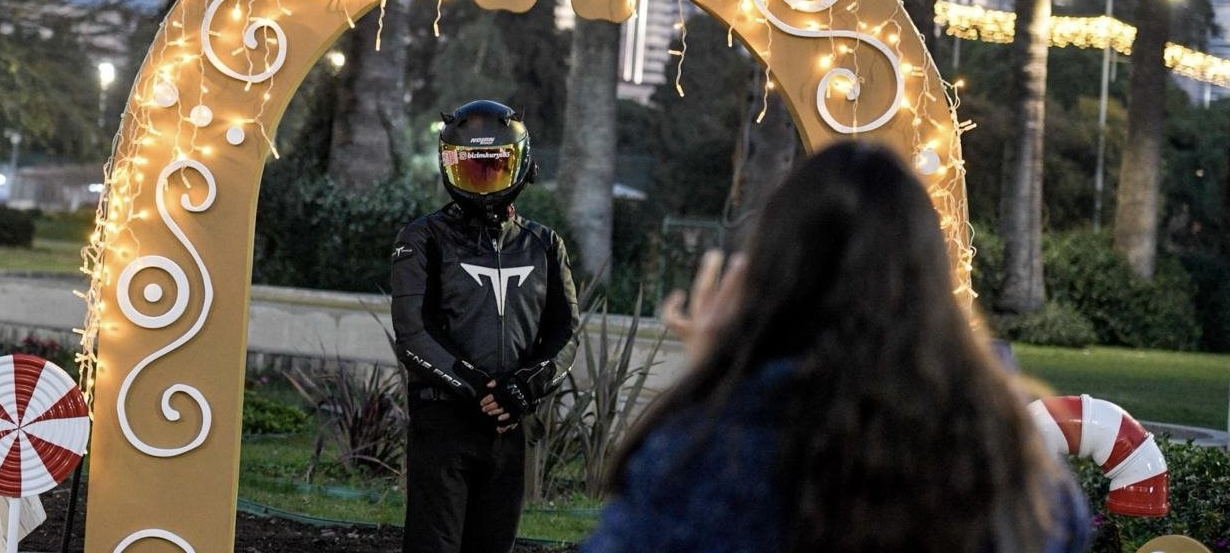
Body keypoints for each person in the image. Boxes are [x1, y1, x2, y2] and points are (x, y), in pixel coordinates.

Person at [582, 141, 1091, 553]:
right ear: (931, 281)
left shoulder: (709, 458)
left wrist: (716, 371)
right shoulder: (1011, 463)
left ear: (770, 273)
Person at [390, 98, 581, 553]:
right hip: (442, 423)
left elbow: (566, 331)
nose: (482, 179)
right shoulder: (421, 239)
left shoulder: (545, 245)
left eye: (494, 165)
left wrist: (523, 389)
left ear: (523, 165)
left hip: (509, 428)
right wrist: (482, 390)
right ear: (447, 166)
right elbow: (412, 333)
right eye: (470, 167)